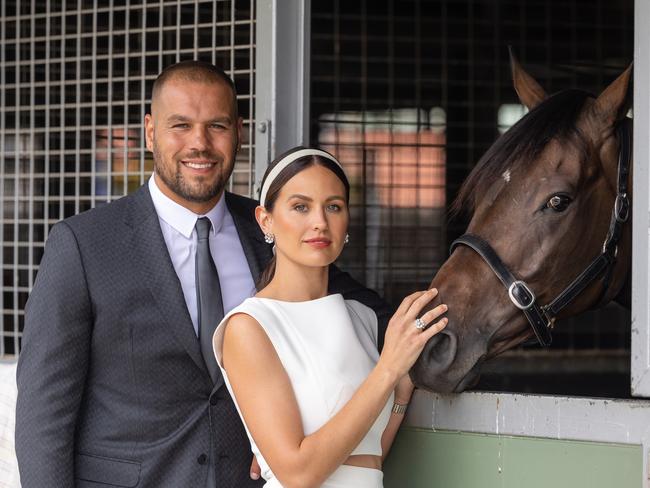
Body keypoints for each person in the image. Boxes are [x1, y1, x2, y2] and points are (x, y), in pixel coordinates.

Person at [14, 61, 391, 488]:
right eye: (181, 125)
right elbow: (44, 415)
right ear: (151, 130)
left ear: (239, 132)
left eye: (217, 125)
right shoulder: (83, 245)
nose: (200, 143)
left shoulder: (272, 229)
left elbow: (376, 323)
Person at [212, 147, 448, 487]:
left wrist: (401, 393)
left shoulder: (361, 317)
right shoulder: (250, 326)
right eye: (301, 207)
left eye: (333, 207)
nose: (320, 222)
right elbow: (298, 473)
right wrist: (387, 370)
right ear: (266, 220)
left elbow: (369, 456)